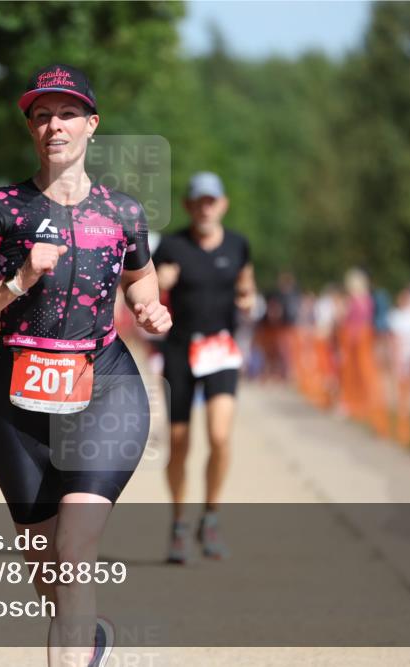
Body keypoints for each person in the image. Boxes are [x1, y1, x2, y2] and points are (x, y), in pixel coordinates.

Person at [0, 64, 171, 667]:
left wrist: (149, 308)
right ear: (31, 130)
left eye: (67, 114)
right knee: (51, 575)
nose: (54, 126)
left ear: (92, 125)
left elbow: (140, 277)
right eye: (41, 116)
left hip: (104, 387)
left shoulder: (123, 212)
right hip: (17, 402)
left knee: (75, 550)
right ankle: (87, 638)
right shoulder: (1, 208)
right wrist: (15, 281)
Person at [152, 172, 255, 563]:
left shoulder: (238, 245)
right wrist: (162, 280)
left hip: (221, 350)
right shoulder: (173, 246)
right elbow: (151, 283)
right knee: (179, 443)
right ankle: (179, 523)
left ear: (223, 204)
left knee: (219, 436)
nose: (205, 208)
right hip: (179, 351)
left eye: (212, 201)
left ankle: (210, 516)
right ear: (188, 206)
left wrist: (248, 299)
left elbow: (247, 284)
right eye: (199, 201)